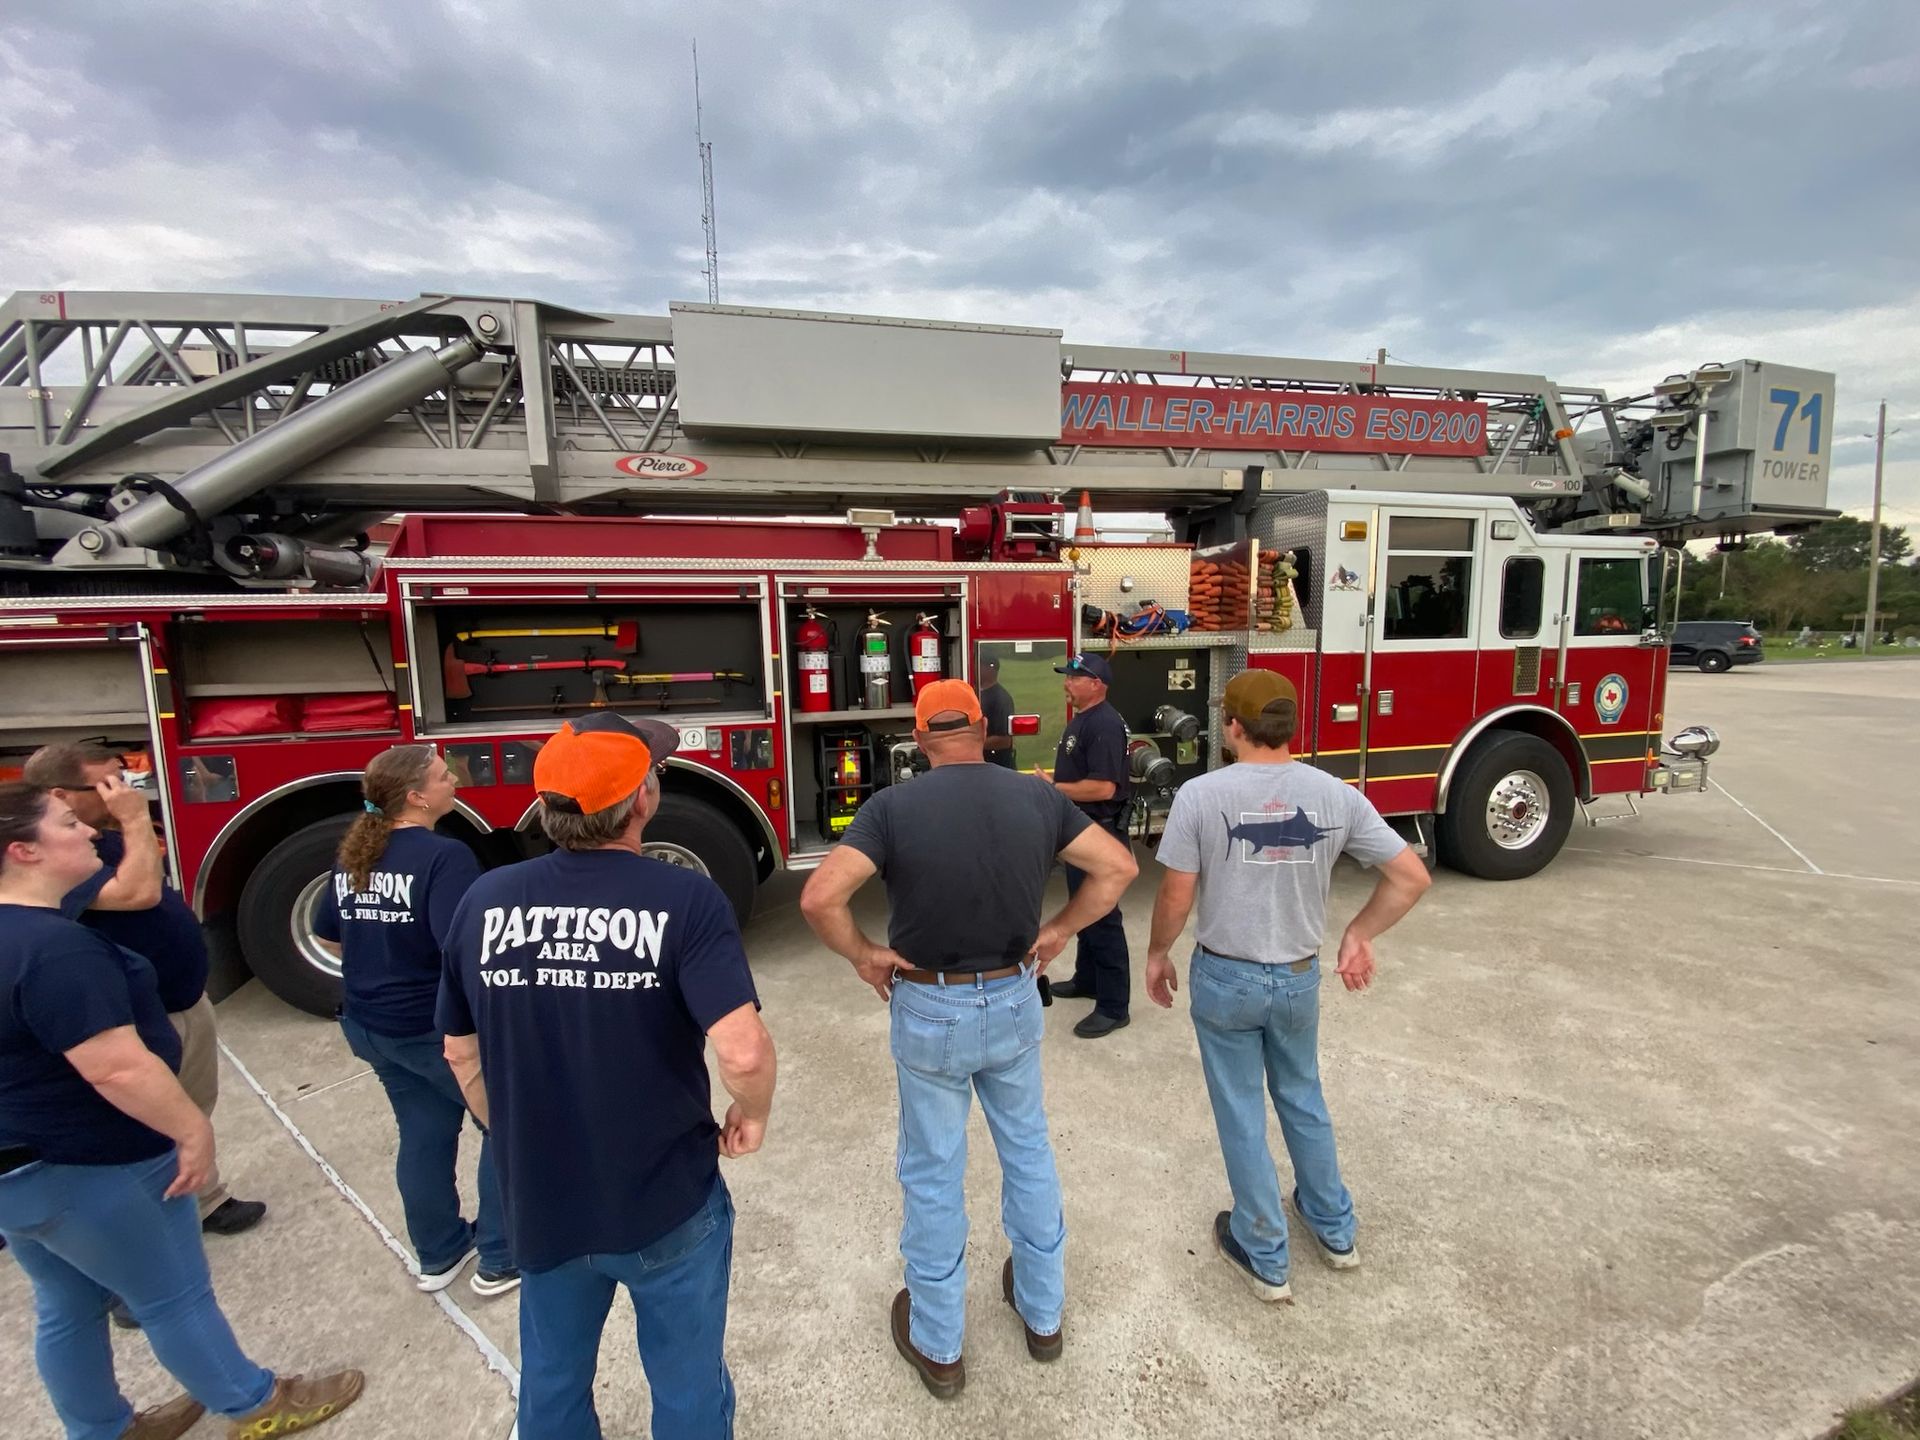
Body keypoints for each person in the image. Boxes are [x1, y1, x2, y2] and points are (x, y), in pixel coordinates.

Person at [437, 712, 775, 1440]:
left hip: (541, 1199)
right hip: (665, 1201)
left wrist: (513, 1130)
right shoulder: (685, 900)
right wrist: (751, 1114)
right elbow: (742, 1052)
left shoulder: (483, 902)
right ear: (645, 800)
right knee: (686, 1385)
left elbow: (459, 1052)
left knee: (552, 1384)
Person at [799, 679, 1136, 1398]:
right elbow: (1119, 868)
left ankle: (940, 1344)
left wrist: (864, 955)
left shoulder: (891, 808)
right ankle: (1044, 1316)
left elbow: (819, 897)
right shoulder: (1038, 796)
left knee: (932, 1171)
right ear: (985, 729)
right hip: (1014, 996)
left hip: (929, 1006)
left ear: (920, 740)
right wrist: (1059, 931)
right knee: (1028, 1150)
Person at [0, 782, 363, 1440]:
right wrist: (191, 1129)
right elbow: (114, 1067)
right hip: (91, 1165)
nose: (88, 831)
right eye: (66, 825)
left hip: (21, 1175)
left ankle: (102, 1428)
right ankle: (256, 1405)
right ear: (23, 851)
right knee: (173, 1295)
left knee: (66, 1303)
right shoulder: (55, 950)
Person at [1144, 670, 1431, 1301]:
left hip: (1226, 975)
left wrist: (1159, 952)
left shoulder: (1200, 795)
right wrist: (1360, 935)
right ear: (1291, 725)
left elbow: (1176, 891)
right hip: (1299, 978)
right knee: (1302, 1096)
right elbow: (1410, 876)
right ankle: (1334, 1230)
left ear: (1234, 727)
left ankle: (1264, 1250)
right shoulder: (1335, 794)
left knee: (1241, 1109)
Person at [24, 743, 266, 1240]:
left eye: (126, 782)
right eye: (109, 784)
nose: (123, 794)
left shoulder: (99, 838)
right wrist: (135, 819)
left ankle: (202, 1199)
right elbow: (138, 894)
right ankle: (145, 1244)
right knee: (147, 1127)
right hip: (142, 1017)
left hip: (184, 1000)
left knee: (193, 1106)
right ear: (60, 796)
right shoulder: (55, 863)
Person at [310, 745, 515, 1297]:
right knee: (505, 1127)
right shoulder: (444, 857)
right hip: (431, 1027)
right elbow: (462, 946)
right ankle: (500, 1255)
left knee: (422, 1132)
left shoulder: (355, 853)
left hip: (370, 1025)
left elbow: (327, 932)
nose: (454, 780)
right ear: (417, 796)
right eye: (443, 775)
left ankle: (439, 1251)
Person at [1039, 653, 1135, 1038]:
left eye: (1074, 678)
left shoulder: (1106, 725)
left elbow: (1104, 787)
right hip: (1083, 831)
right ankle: (1087, 979)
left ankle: (1114, 1006)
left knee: (1103, 916)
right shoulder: (1086, 719)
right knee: (1084, 909)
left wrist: (1052, 789)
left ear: (1096, 683)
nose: (1066, 683)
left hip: (1101, 830)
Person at [978, 656, 1017, 770]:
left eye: (979, 665)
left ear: (991, 669)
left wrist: (972, 744)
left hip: (999, 766)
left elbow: (1005, 741)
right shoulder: (976, 693)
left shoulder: (1002, 699)